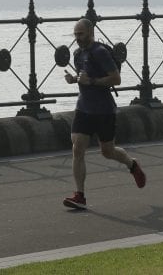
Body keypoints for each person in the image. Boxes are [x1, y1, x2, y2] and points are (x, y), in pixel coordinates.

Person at [62, 18, 145, 209]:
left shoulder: (100, 52)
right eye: (75, 35)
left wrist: (92, 81)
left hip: (104, 110)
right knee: (77, 147)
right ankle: (80, 195)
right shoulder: (77, 54)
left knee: (107, 152)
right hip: (84, 108)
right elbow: (83, 77)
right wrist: (73, 79)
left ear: (90, 33)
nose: (77, 38)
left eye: (80, 34)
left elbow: (116, 79)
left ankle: (132, 164)